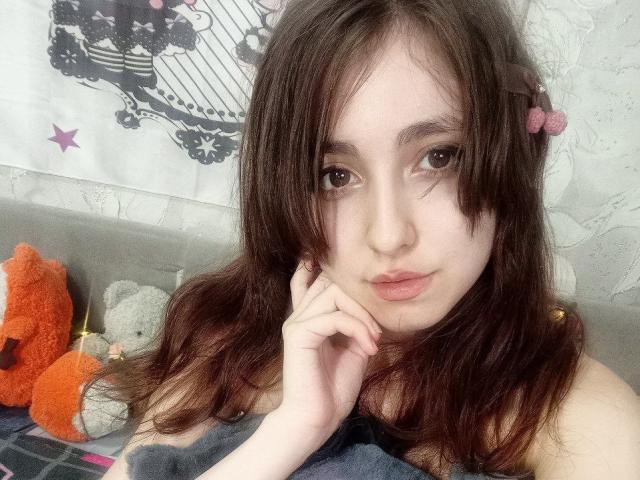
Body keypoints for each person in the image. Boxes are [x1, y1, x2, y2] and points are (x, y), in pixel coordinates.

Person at [100, 0, 640, 478]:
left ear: (508, 156)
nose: (388, 235)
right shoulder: (224, 342)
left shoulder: (581, 421)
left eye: (439, 157)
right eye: (335, 175)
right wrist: (293, 429)